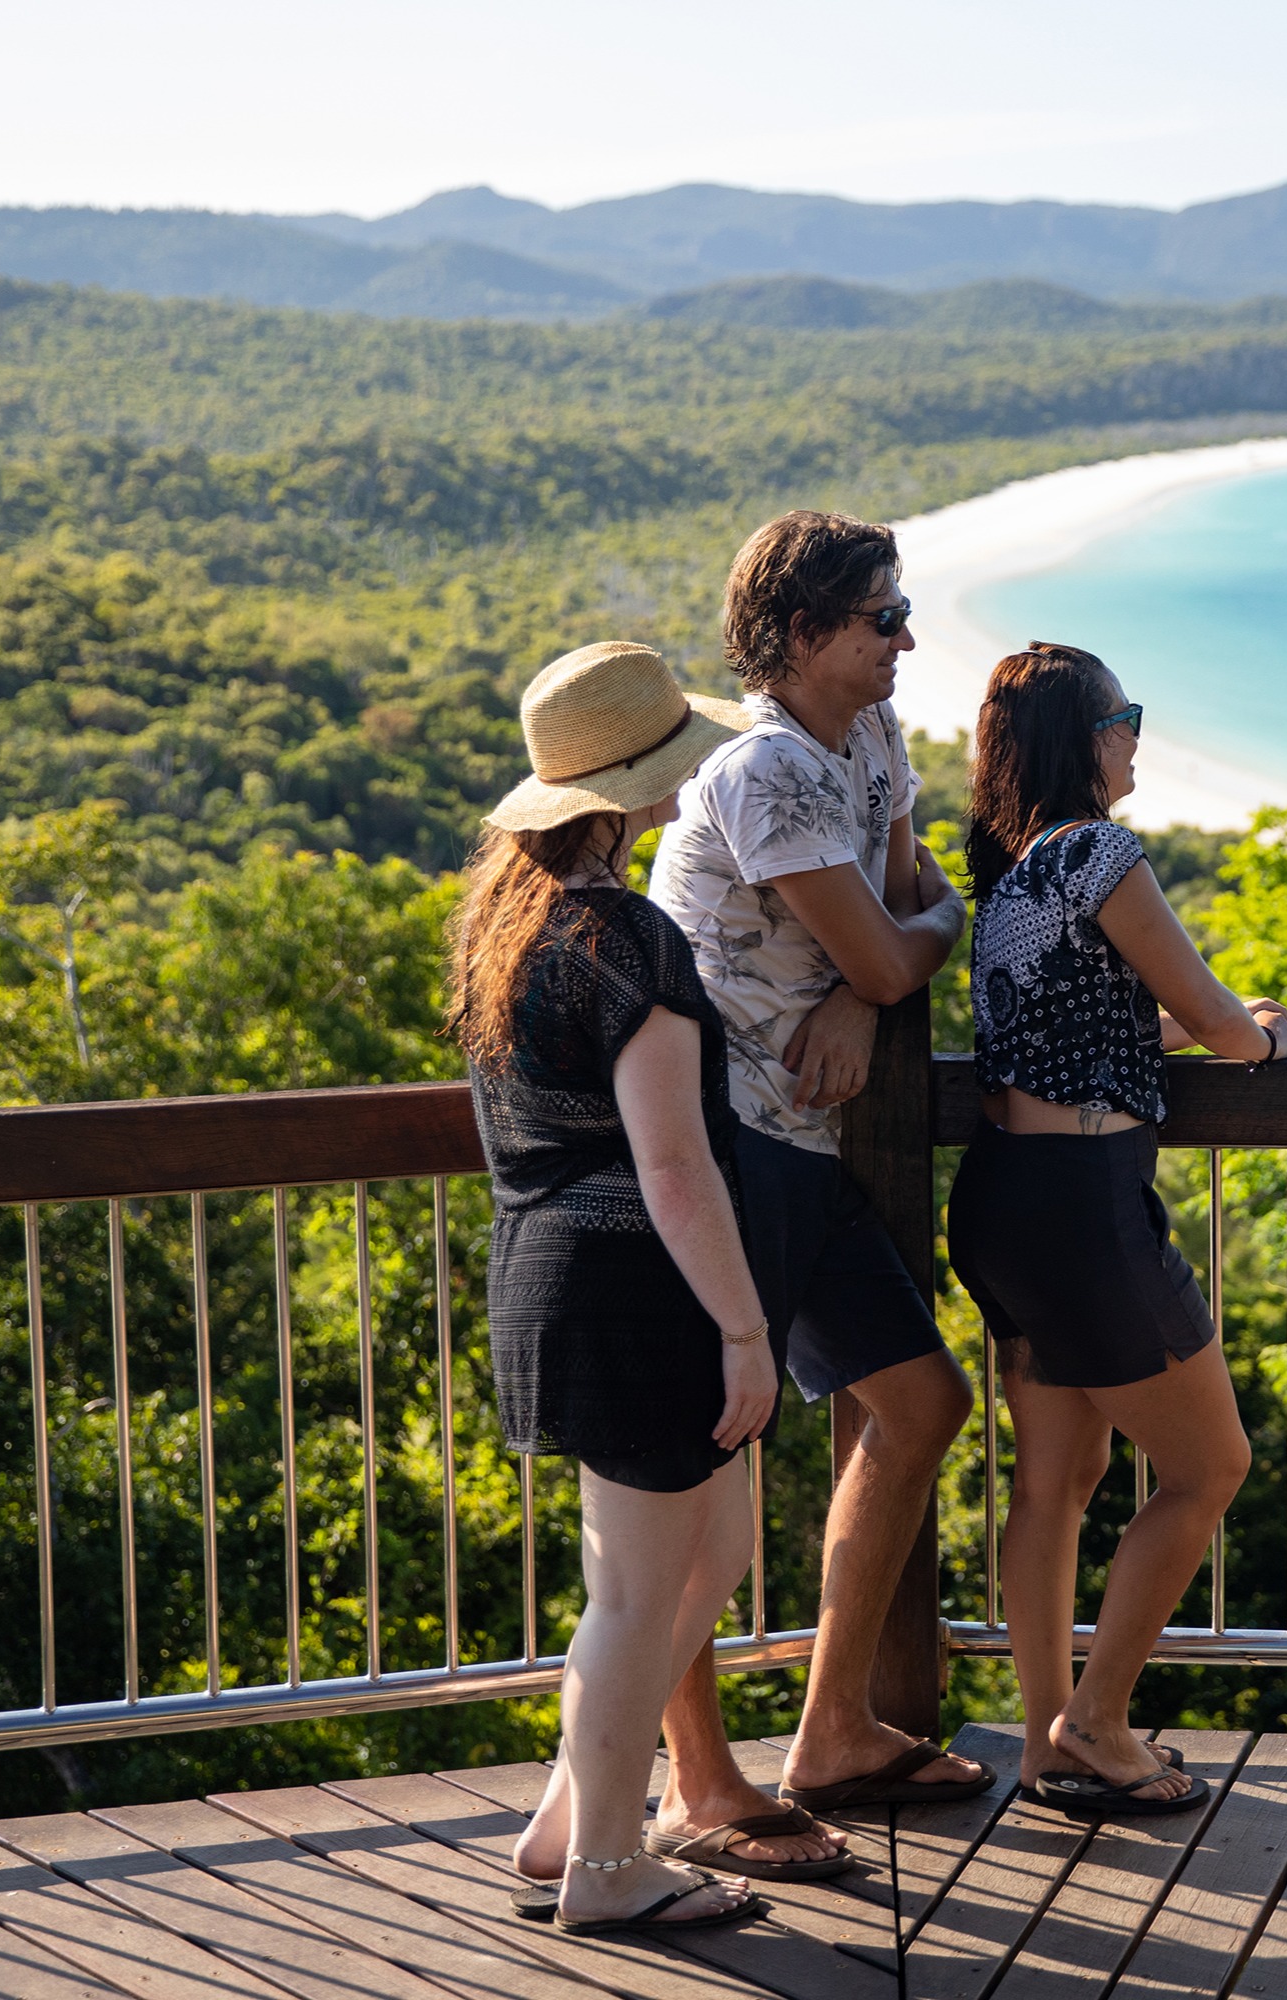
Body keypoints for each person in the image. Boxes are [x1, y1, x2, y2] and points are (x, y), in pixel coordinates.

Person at [647, 511, 992, 1813]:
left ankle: (834, 1728)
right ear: (801, 637)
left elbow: (907, 919)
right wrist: (881, 969)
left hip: (800, 1145)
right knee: (696, 1457)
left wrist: (875, 984)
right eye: (881, 618)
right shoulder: (767, 772)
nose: (907, 636)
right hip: (724, 1146)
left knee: (921, 1404)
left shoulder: (875, 740)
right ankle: (695, 1780)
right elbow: (893, 941)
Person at [450, 640, 783, 1935]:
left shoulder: (507, 924)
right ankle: (605, 1870)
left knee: (712, 1553)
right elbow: (673, 1163)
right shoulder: (631, 938)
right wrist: (745, 1328)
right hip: (637, 1288)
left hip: (547, 1273)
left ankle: (561, 1823)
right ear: (637, 789)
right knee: (640, 1593)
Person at [947, 643, 1283, 1816]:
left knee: (1058, 1479)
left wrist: (1206, 1028)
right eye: (1128, 717)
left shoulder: (1012, 874)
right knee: (1210, 1464)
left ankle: (1046, 1743)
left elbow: (1105, 1033)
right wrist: (1262, 1033)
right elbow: (1213, 1020)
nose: (1138, 737)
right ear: (1089, 739)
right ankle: (1095, 1720)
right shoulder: (1100, 851)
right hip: (1085, 1208)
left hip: (1004, 1197)